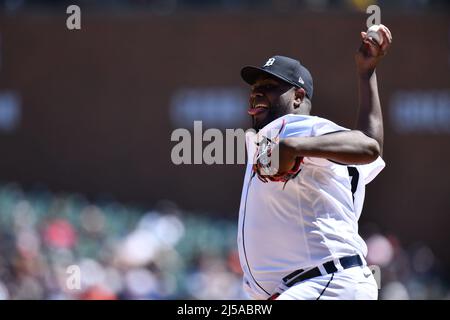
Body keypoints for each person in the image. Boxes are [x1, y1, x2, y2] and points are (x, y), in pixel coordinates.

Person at [237, 25, 392, 300]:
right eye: (254, 88)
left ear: (297, 97)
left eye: (269, 87)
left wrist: (293, 147)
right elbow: (369, 143)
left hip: (325, 281)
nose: (256, 93)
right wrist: (366, 73)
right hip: (318, 284)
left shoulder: (291, 126)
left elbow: (368, 147)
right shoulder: (310, 143)